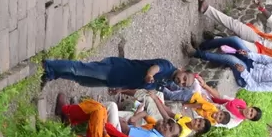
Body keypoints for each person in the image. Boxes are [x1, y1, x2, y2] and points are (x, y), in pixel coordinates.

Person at [198, 1, 272, 67]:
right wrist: (262, 8)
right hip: (260, 38)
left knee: (235, 41)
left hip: (257, 53)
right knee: (235, 25)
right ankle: (207, 9)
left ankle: (211, 42)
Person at [193, 37, 272, 93]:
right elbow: (262, 58)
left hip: (246, 78)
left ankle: (196, 53)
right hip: (251, 63)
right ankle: (202, 45)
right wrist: (248, 54)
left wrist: (243, 72)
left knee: (232, 59)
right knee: (235, 40)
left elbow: (254, 86)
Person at [56, 95, 161, 137]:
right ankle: (68, 114)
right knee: (101, 109)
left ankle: (66, 111)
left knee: (99, 109)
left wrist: (106, 133)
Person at [42, 57, 188, 92]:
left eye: (183, 84)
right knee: (79, 69)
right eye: (184, 78)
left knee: (80, 78)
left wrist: (121, 89)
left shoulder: (166, 82)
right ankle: (49, 65)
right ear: (183, 70)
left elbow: (140, 87)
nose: (181, 81)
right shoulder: (167, 66)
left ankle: (53, 73)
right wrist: (150, 75)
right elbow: (155, 68)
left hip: (116, 81)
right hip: (115, 69)